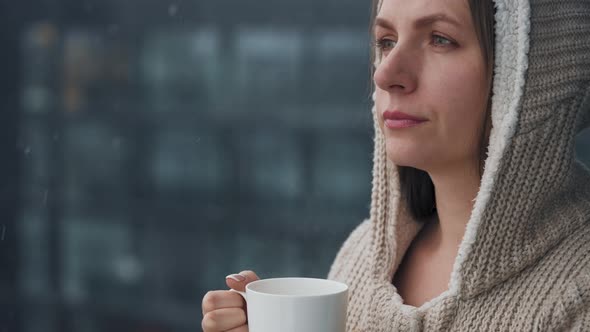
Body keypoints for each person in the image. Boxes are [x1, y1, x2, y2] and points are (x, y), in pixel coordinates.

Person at [201, 0, 590, 330]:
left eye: (440, 39)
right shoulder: (359, 260)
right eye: (386, 41)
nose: (386, 74)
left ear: (530, 74)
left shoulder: (578, 291)